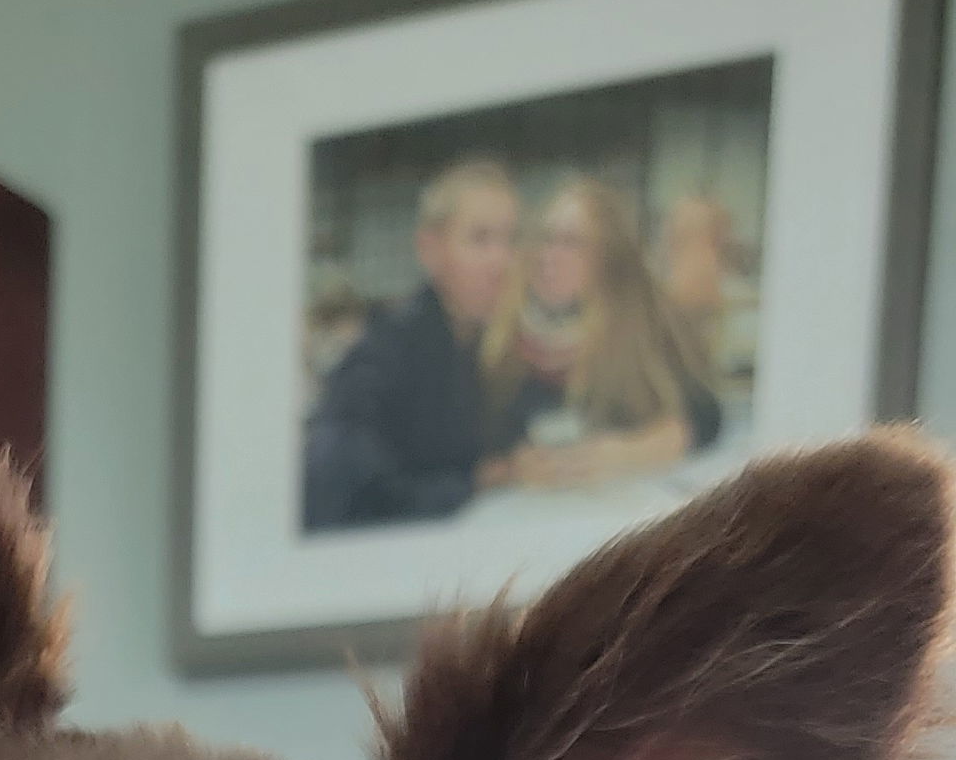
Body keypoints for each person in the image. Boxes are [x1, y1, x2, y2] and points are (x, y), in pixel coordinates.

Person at [301, 157, 518, 531]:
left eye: (510, 240)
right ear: (429, 249)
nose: (503, 261)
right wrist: (478, 483)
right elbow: (353, 499)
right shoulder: (383, 356)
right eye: (481, 239)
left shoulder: (481, 347)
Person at [481, 174, 721, 489]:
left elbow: (704, 412)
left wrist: (634, 450)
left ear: (607, 259)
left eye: (570, 243)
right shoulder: (499, 331)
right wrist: (509, 469)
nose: (548, 255)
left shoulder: (637, 325)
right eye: (545, 238)